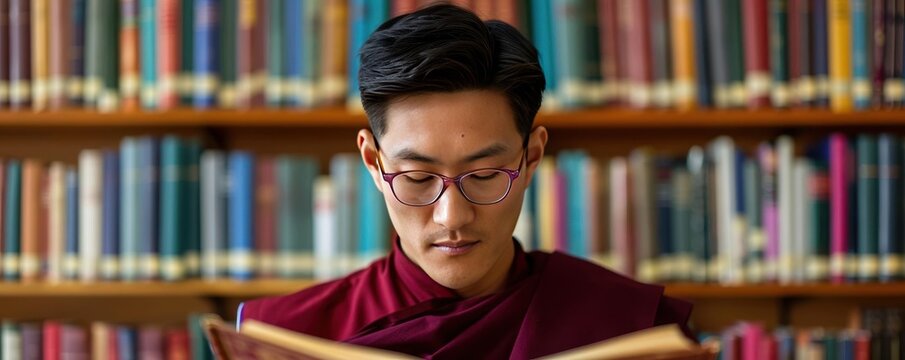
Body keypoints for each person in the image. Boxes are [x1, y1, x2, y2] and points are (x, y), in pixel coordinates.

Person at [239, 4, 693, 359]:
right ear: (373, 163)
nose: (451, 217)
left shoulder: (633, 326)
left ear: (532, 157)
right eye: (417, 177)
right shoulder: (281, 338)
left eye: (485, 175)